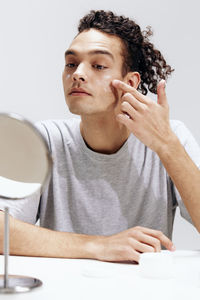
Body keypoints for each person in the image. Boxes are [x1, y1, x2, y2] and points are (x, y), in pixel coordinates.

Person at [0, 10, 200, 263]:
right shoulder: (47, 140)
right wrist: (99, 246)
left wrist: (167, 146)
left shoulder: (171, 137)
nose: (78, 74)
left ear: (130, 81)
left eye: (98, 66)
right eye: (71, 64)